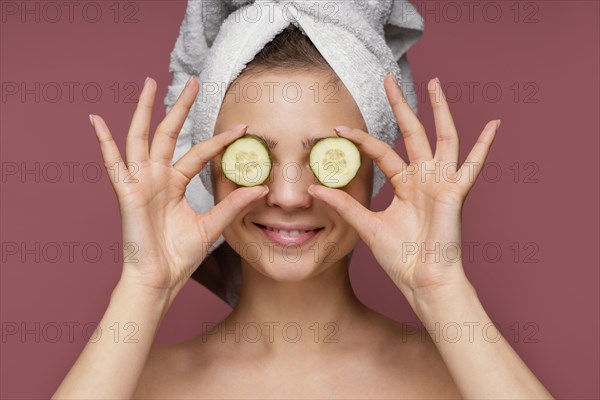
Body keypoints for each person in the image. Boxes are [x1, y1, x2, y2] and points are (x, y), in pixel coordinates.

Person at [52, 25, 553, 399]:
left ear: (375, 170)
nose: (289, 195)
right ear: (208, 169)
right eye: (254, 157)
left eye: (327, 158)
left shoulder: (461, 382)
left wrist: (442, 289)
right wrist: (143, 286)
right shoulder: (137, 387)